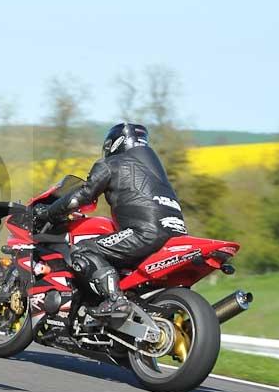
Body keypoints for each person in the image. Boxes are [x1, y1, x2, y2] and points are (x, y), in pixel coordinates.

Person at [35, 123, 186, 319]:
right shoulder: (155, 171)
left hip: (144, 232)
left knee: (83, 250)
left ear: (114, 144)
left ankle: (115, 300)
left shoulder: (112, 164)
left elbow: (79, 197)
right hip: (177, 234)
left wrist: (48, 212)